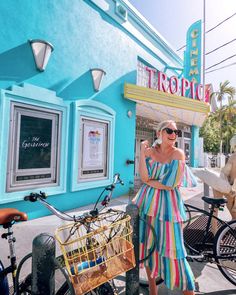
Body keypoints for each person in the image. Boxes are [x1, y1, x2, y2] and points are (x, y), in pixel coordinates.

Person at [132, 120, 197, 295]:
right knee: (147, 247)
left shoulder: (178, 154)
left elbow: (171, 184)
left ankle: (188, 290)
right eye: (169, 130)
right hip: (146, 206)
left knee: (174, 250)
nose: (174, 134)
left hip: (168, 209)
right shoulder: (149, 152)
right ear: (159, 133)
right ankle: (153, 290)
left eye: (177, 132)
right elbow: (143, 177)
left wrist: (151, 183)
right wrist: (141, 152)